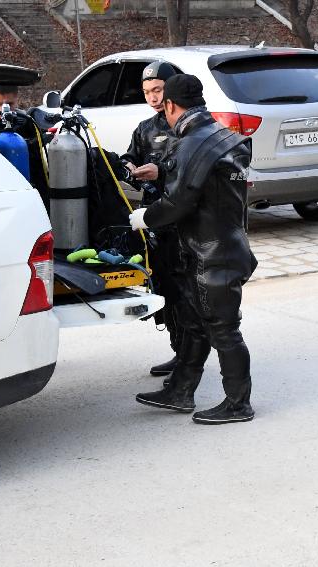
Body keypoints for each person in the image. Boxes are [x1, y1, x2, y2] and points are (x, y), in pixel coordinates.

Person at [128, 74, 258, 424]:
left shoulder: (193, 143)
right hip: (219, 246)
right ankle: (181, 390)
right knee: (195, 323)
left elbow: (178, 202)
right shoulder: (224, 136)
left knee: (223, 329)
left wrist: (143, 217)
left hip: (213, 253)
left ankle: (238, 403)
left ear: (170, 104)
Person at [120, 61, 183, 379]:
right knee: (164, 289)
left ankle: (190, 356)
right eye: (147, 92)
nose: (153, 97)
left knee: (185, 290)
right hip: (154, 219)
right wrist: (127, 166)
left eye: (157, 90)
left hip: (184, 221)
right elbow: (131, 155)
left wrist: (164, 171)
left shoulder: (189, 126)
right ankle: (179, 352)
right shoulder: (146, 128)